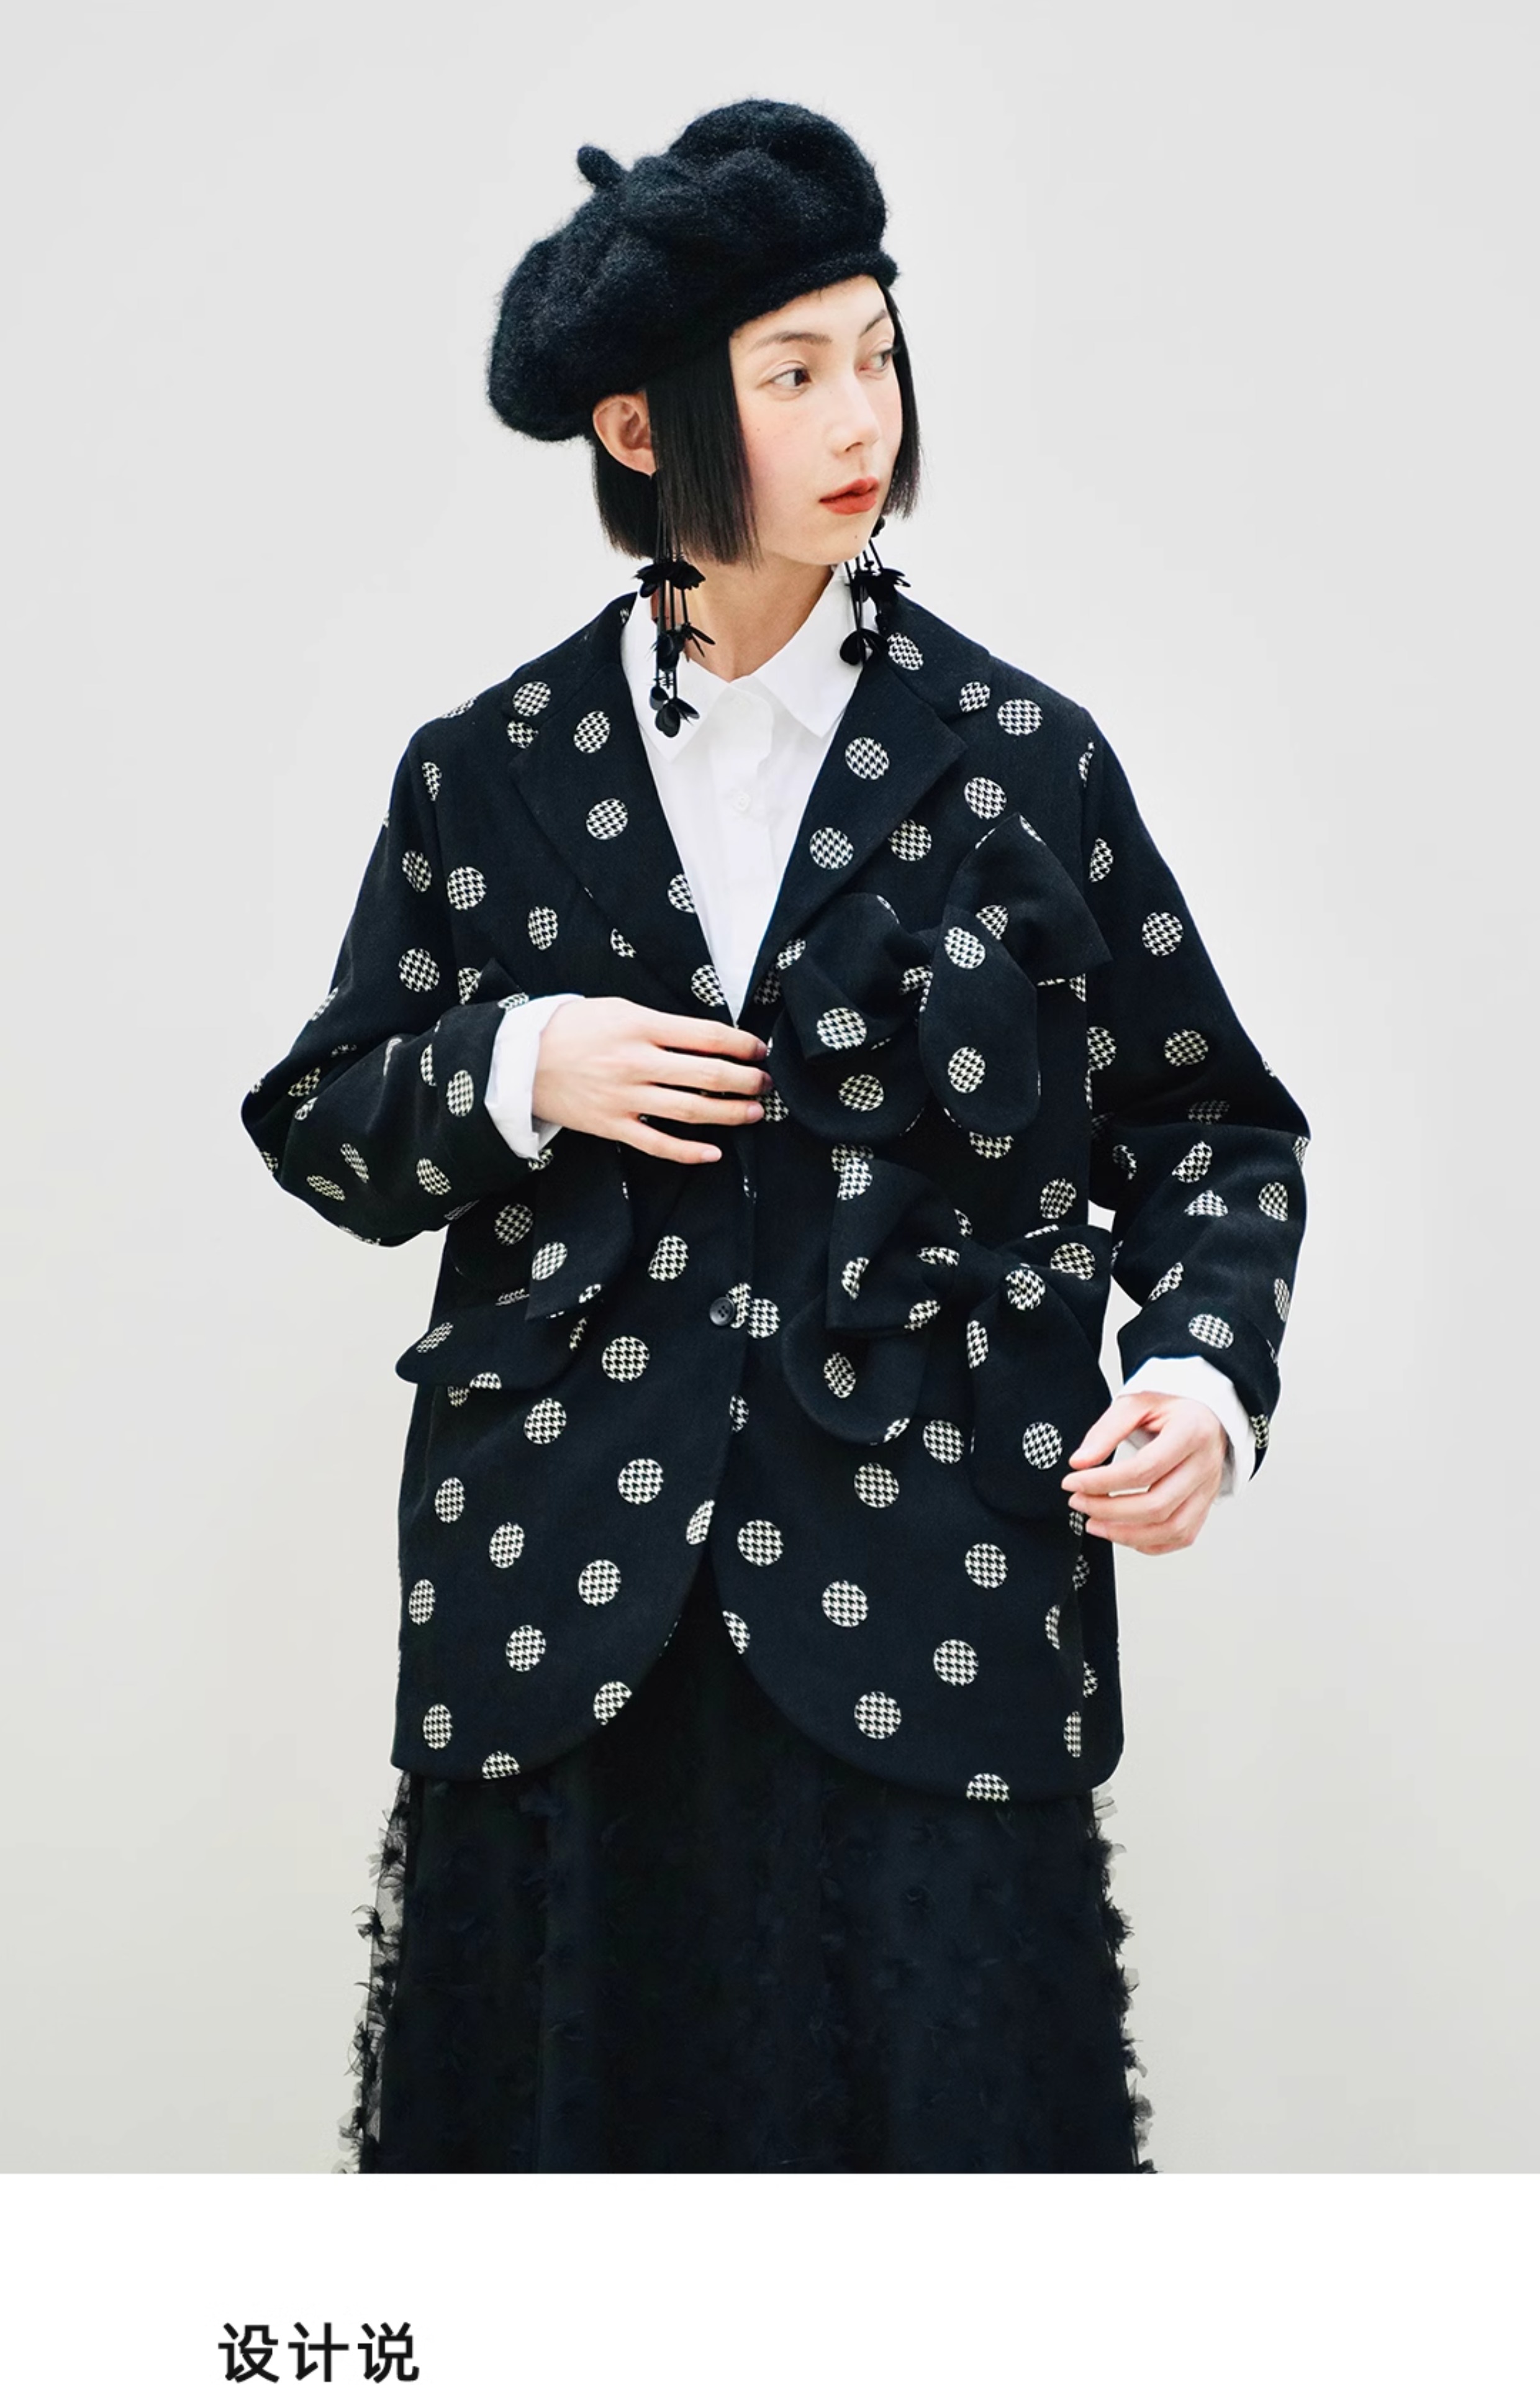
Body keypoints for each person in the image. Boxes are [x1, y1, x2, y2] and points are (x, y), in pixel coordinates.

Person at [241, 98, 1310, 2173]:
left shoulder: (1018, 759)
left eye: (879, 356)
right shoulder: (489, 773)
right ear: (641, 428)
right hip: (562, 1602)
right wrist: (518, 1063)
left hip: (934, 1574)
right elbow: (323, 1124)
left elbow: (1210, 1126)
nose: (862, 419)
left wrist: (1199, 1380)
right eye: (796, 372)